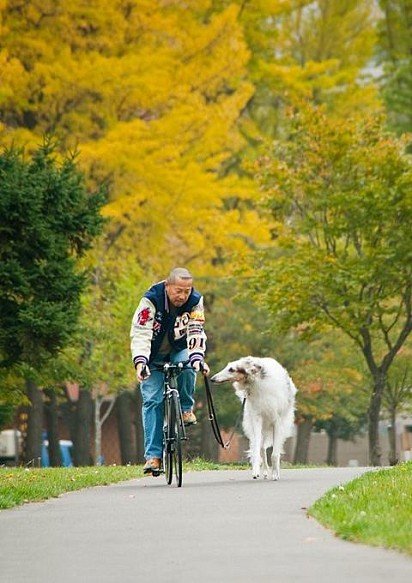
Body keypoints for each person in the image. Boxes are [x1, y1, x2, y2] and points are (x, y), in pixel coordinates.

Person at [130, 267, 209, 475]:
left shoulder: (195, 301)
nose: (183, 296)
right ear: (167, 286)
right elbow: (141, 332)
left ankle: (185, 408)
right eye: (178, 291)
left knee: (189, 364)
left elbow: (196, 330)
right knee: (152, 400)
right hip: (152, 356)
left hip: (180, 349)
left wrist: (198, 357)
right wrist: (140, 362)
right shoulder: (151, 300)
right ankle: (154, 457)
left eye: (187, 290)